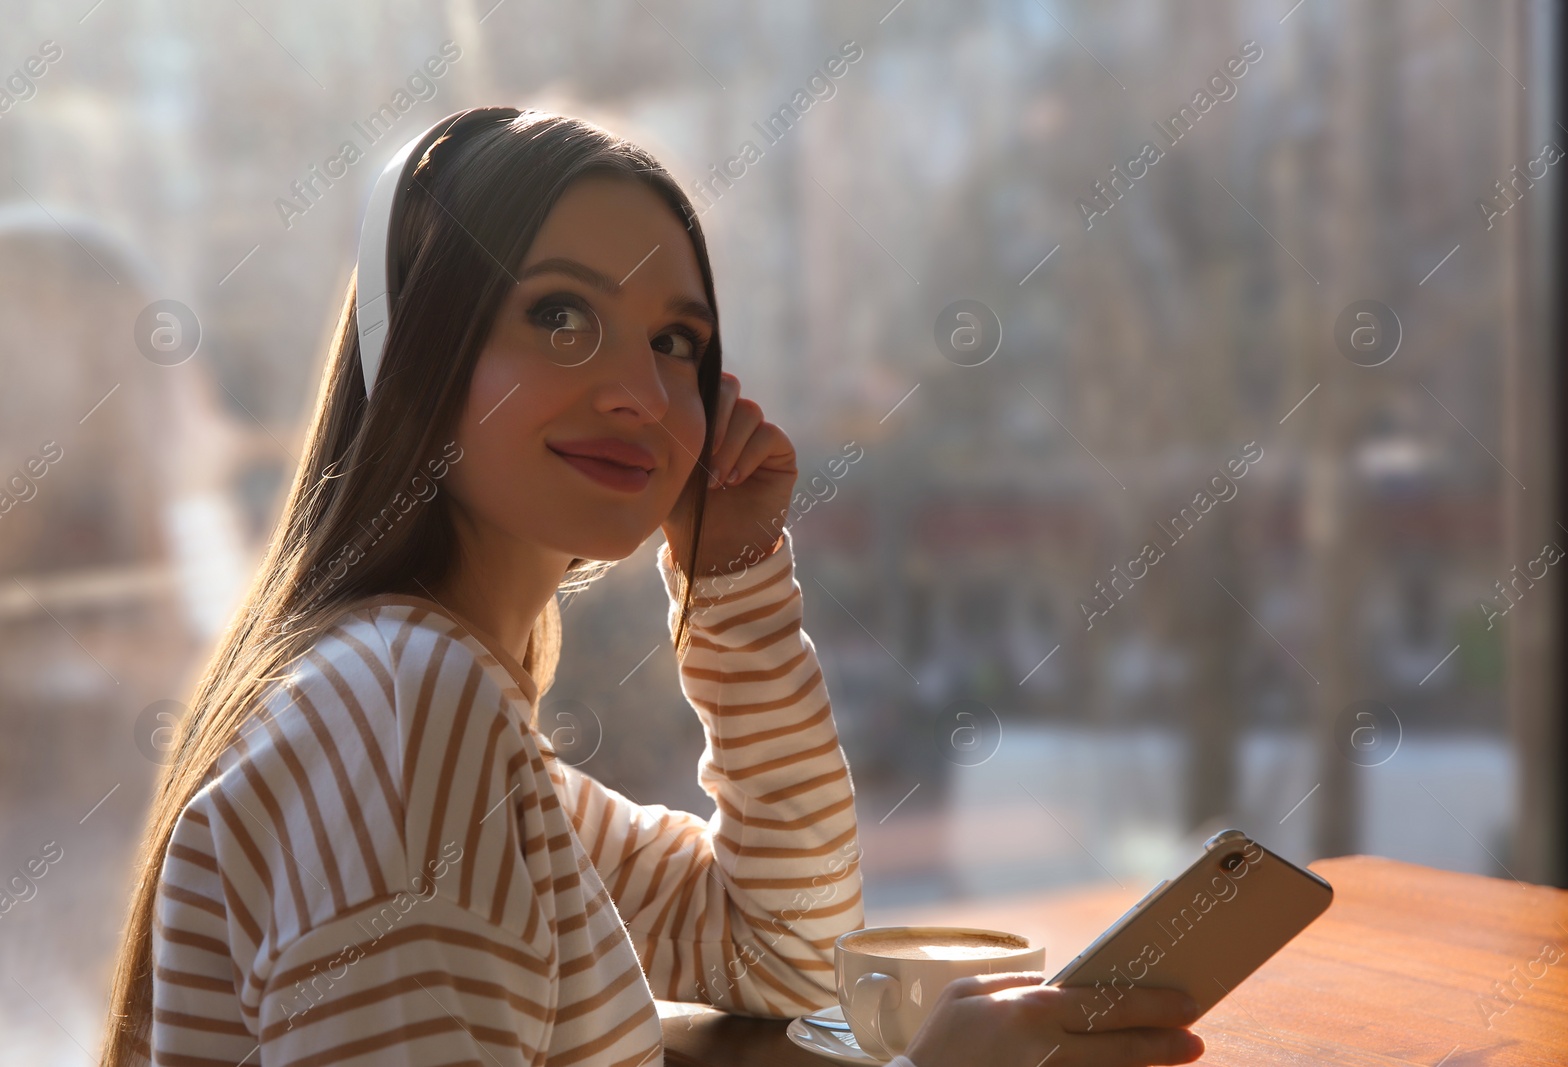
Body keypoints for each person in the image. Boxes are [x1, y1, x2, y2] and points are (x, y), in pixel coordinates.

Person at [99, 107, 1204, 1067]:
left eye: (676, 340)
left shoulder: (428, 709)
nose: (640, 391)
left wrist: (731, 578)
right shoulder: (403, 707)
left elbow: (788, 945)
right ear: (418, 349)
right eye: (560, 316)